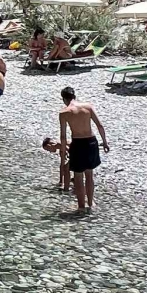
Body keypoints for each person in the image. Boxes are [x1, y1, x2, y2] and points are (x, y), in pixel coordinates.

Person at [58, 86, 109, 214]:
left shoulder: (64, 113)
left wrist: (63, 151)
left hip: (78, 143)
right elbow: (100, 125)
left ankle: (81, 207)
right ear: (74, 96)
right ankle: (90, 204)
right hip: (91, 142)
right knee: (89, 175)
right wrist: (105, 142)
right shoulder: (88, 107)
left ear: (64, 99)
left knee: (78, 177)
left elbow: (63, 136)